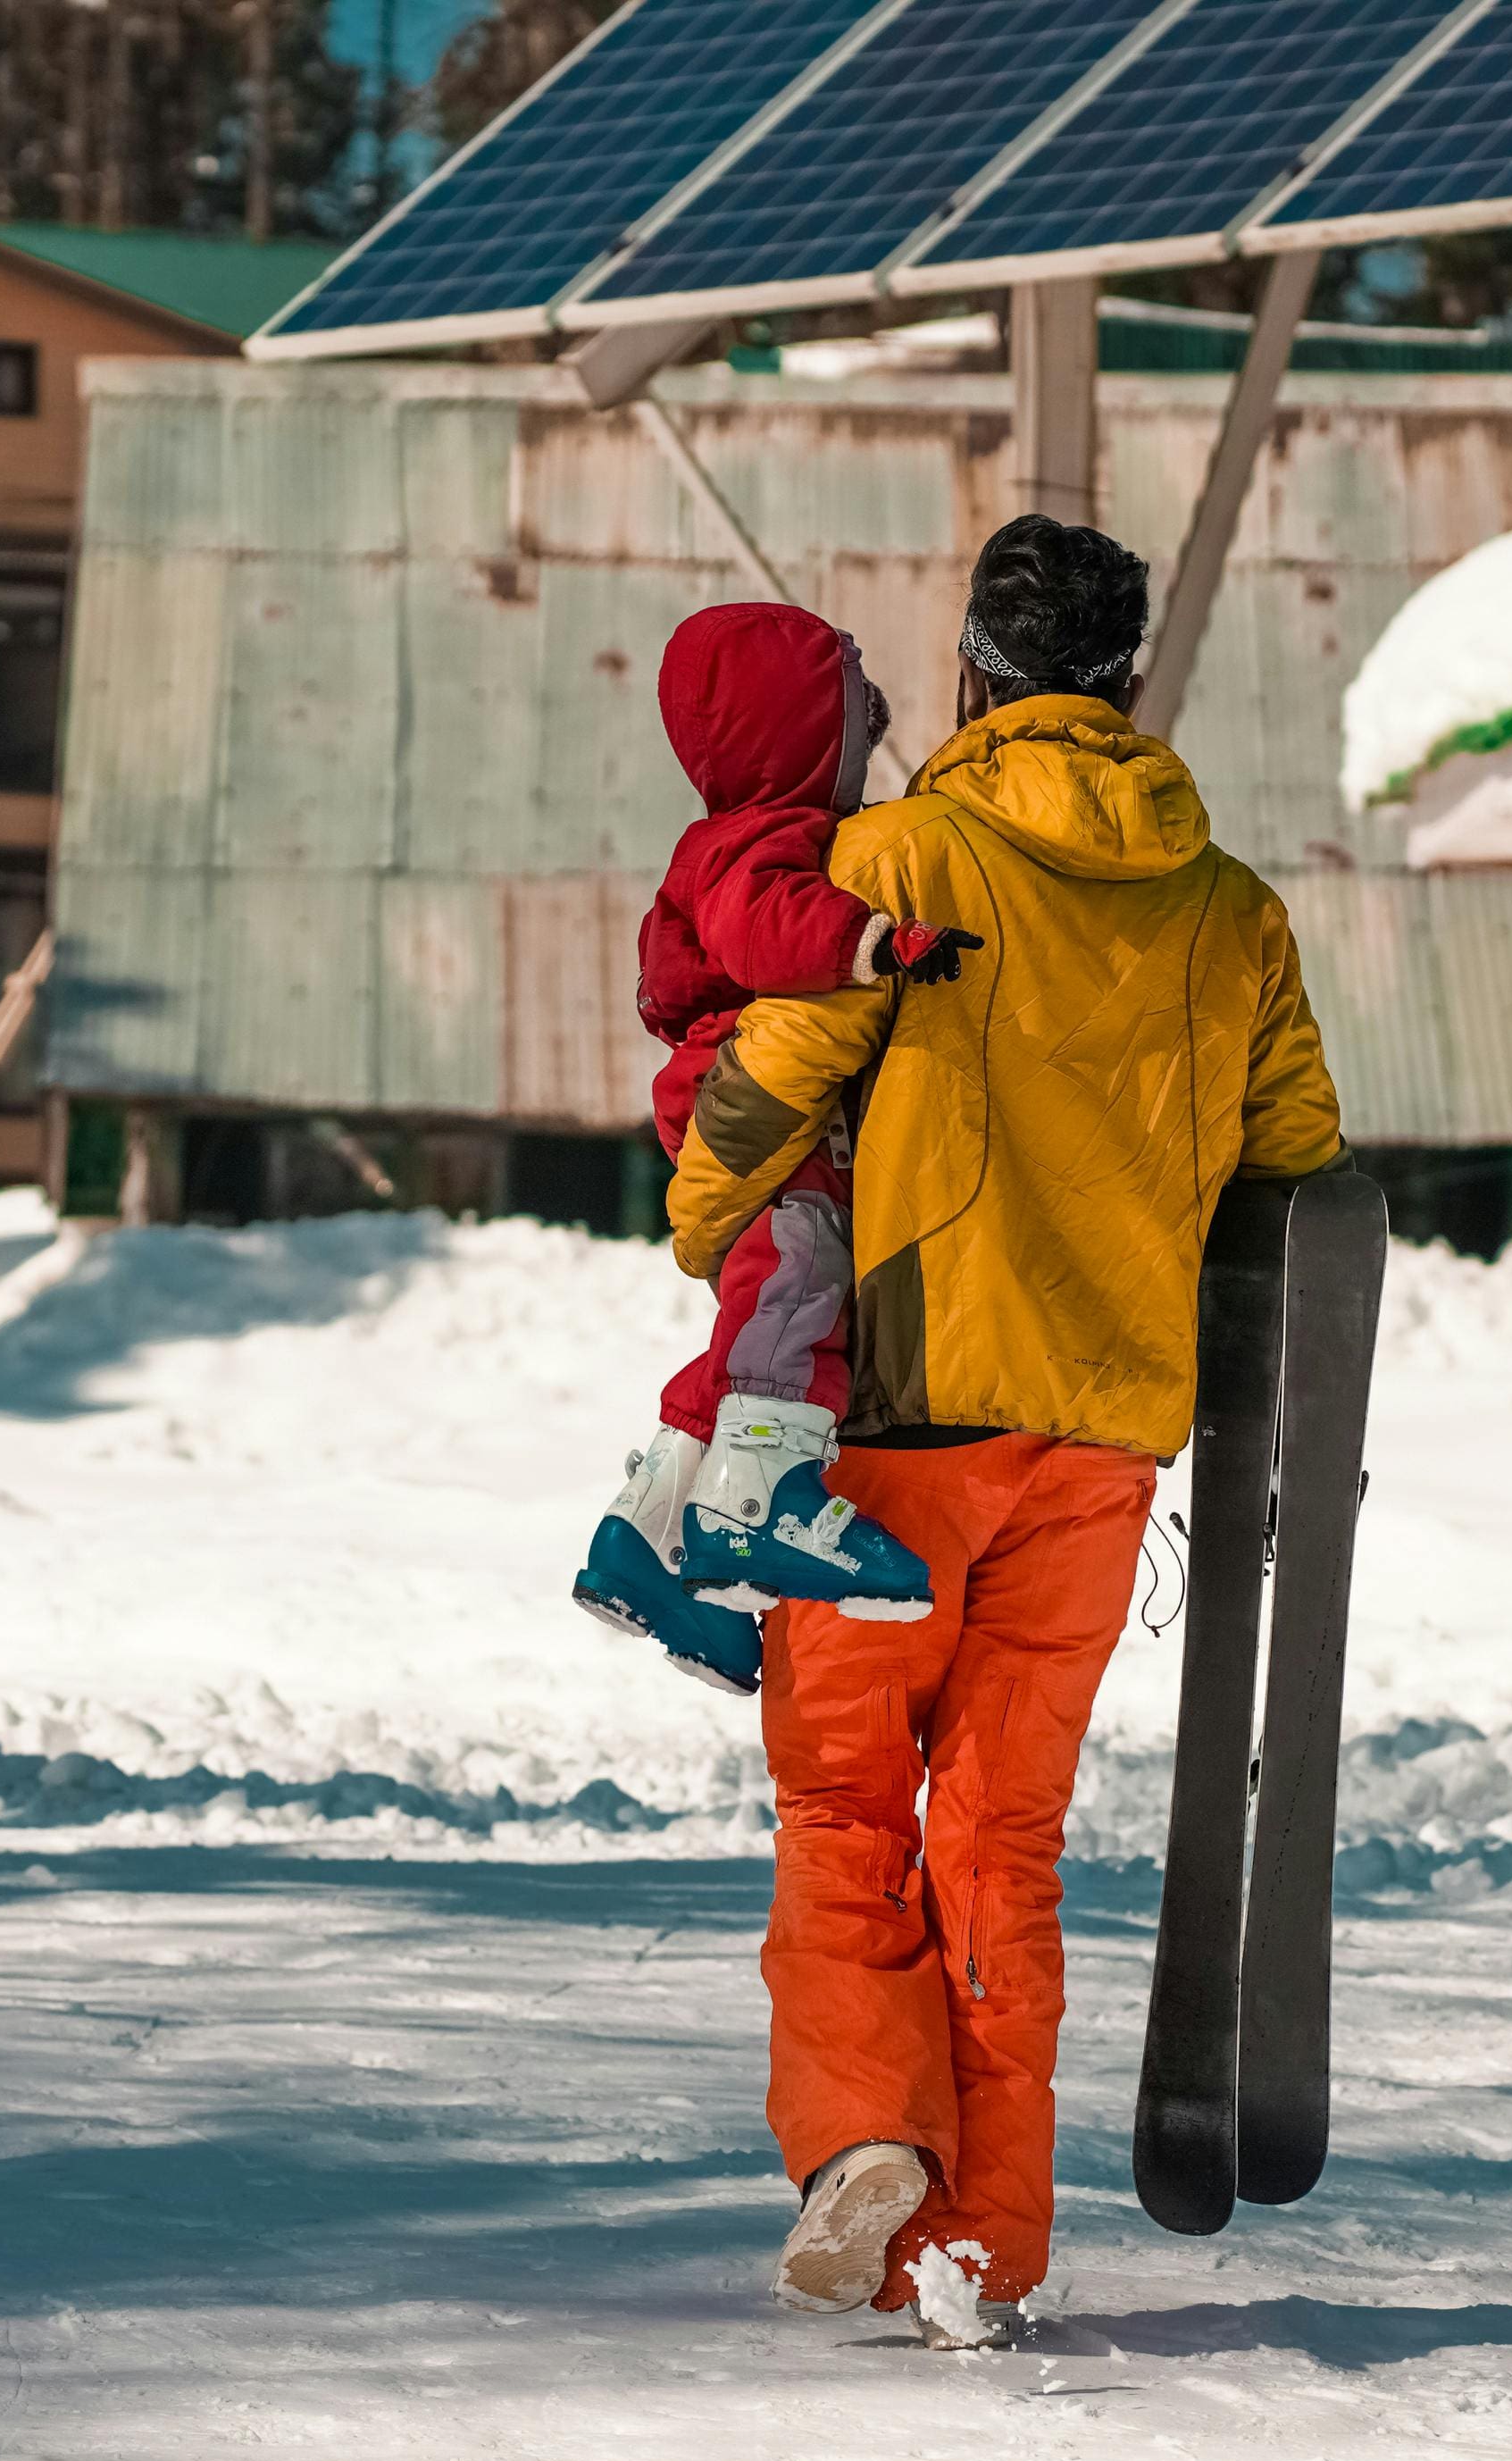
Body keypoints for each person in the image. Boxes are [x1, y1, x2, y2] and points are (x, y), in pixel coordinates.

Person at [668, 513, 1348, 2347]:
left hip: (899, 1427)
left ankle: (866, 2147)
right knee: (999, 1841)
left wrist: (702, 1214)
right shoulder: (1232, 916)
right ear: (1130, 681)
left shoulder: (900, 856)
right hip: (1101, 1445)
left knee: (842, 1809)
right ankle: (986, 2244)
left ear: (968, 668)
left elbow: (777, 1074)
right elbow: (1297, 1166)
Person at [572, 602, 981, 1698]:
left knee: (759, 1291)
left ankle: (650, 1539)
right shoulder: (764, 840)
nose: (865, 745)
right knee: (801, 1275)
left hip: (712, 1084)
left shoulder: (725, 833)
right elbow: (767, 932)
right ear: (794, 735)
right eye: (851, 721)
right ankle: (762, 1497)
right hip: (747, 1087)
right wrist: (873, 944)